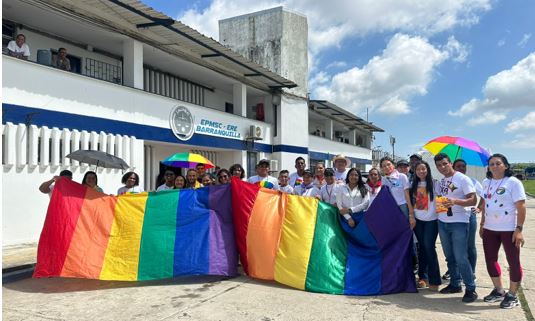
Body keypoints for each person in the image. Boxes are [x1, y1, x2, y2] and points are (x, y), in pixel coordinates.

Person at [478, 154, 526, 309]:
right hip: (490, 228)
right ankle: (499, 290)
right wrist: (482, 223)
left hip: (508, 229)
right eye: (491, 164)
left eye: (498, 163)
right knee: (490, 260)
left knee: (513, 262)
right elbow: (485, 202)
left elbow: (521, 207)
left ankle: (512, 295)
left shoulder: (513, 183)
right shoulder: (486, 182)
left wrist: (518, 230)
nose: (494, 166)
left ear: (506, 166)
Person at [434, 153, 478, 302]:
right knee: (450, 257)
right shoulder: (442, 181)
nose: (442, 167)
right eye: (439, 165)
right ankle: (455, 283)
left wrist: (455, 202)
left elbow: (473, 199)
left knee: (461, 257)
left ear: (450, 163)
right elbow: (443, 198)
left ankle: (471, 289)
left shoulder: (462, 178)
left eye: (445, 164)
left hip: (459, 222)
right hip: (443, 221)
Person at [409, 161, 441, 291]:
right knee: (422, 248)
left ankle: (435, 280)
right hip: (418, 221)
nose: (421, 171)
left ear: (428, 169)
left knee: (429, 247)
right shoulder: (413, 184)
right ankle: (423, 277)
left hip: (432, 221)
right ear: (415, 172)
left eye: (423, 169)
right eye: (418, 170)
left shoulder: (435, 183)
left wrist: (441, 218)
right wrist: (412, 217)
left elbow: (441, 200)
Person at [453, 158, 483, 280]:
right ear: (453, 167)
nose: (461, 168)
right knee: (456, 246)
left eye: (463, 166)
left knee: (469, 245)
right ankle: (456, 271)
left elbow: (484, 196)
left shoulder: (472, 181)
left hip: (469, 215)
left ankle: (472, 271)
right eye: (458, 166)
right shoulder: (450, 182)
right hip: (455, 217)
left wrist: (479, 208)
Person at [380, 157, 415, 229]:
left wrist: (411, 213)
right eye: (384, 166)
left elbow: (407, 195)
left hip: (402, 206)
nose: (387, 167)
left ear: (393, 165)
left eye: (388, 164)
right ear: (382, 168)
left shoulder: (401, 176)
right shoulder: (383, 180)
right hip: (391, 208)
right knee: (395, 229)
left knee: (406, 228)